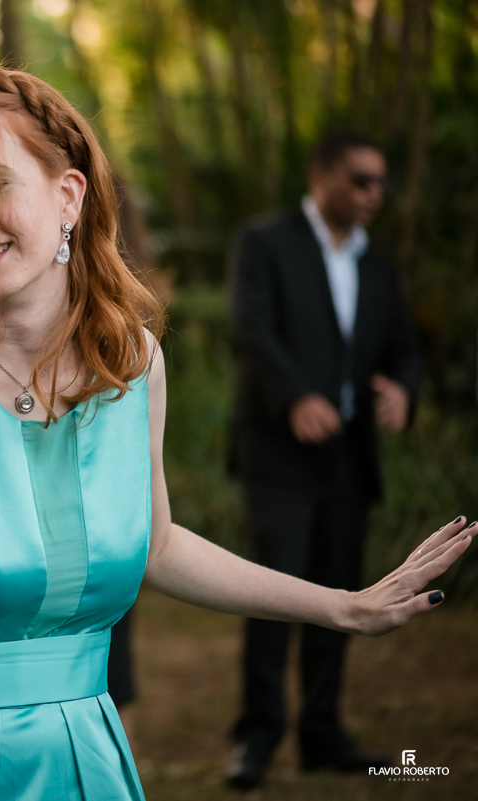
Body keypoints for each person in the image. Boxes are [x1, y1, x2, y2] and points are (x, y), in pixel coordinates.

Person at [0, 67, 471, 801]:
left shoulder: (132, 363)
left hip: (81, 760)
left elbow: (156, 544)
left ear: (68, 195)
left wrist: (342, 605)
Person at [224, 131, 424, 789]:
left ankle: (322, 732)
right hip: (278, 453)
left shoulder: (378, 265)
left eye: (381, 183)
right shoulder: (265, 242)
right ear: (322, 176)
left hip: (349, 457)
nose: (375, 194)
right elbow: (251, 330)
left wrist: (403, 388)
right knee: (272, 595)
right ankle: (256, 736)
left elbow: (403, 346)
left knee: (342, 592)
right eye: (362, 180)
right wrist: (295, 397)